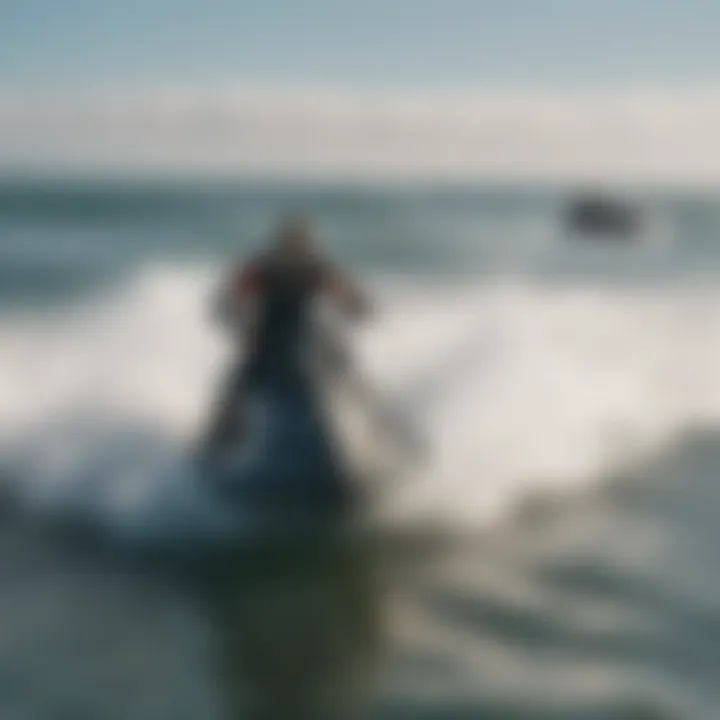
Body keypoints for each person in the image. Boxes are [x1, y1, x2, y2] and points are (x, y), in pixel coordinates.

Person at [200, 214, 369, 458]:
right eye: (290, 245)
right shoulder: (263, 270)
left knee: (352, 374)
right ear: (280, 245)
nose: (295, 251)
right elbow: (227, 301)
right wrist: (242, 327)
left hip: (315, 341)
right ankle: (219, 442)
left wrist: (355, 306)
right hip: (271, 342)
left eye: (300, 245)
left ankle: (375, 436)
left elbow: (351, 299)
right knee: (238, 383)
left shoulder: (317, 269)